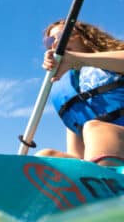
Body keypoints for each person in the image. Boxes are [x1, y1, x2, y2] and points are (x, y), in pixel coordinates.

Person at [36, 19, 124, 166]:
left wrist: (77, 59)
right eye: (50, 41)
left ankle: (106, 179)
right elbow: (77, 154)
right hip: (100, 145)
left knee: (96, 129)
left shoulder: (115, 58)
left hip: (106, 135)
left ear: (85, 36)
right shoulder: (71, 90)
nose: (56, 43)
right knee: (46, 157)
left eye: (63, 35)